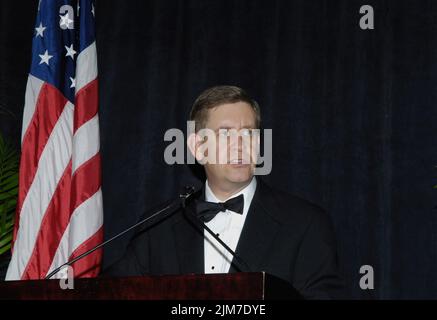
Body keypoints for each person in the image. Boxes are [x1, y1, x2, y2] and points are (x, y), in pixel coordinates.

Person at [103, 85, 343, 299]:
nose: (241, 144)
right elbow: (110, 292)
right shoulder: (158, 227)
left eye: (249, 133)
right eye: (226, 134)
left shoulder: (306, 224)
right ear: (198, 148)